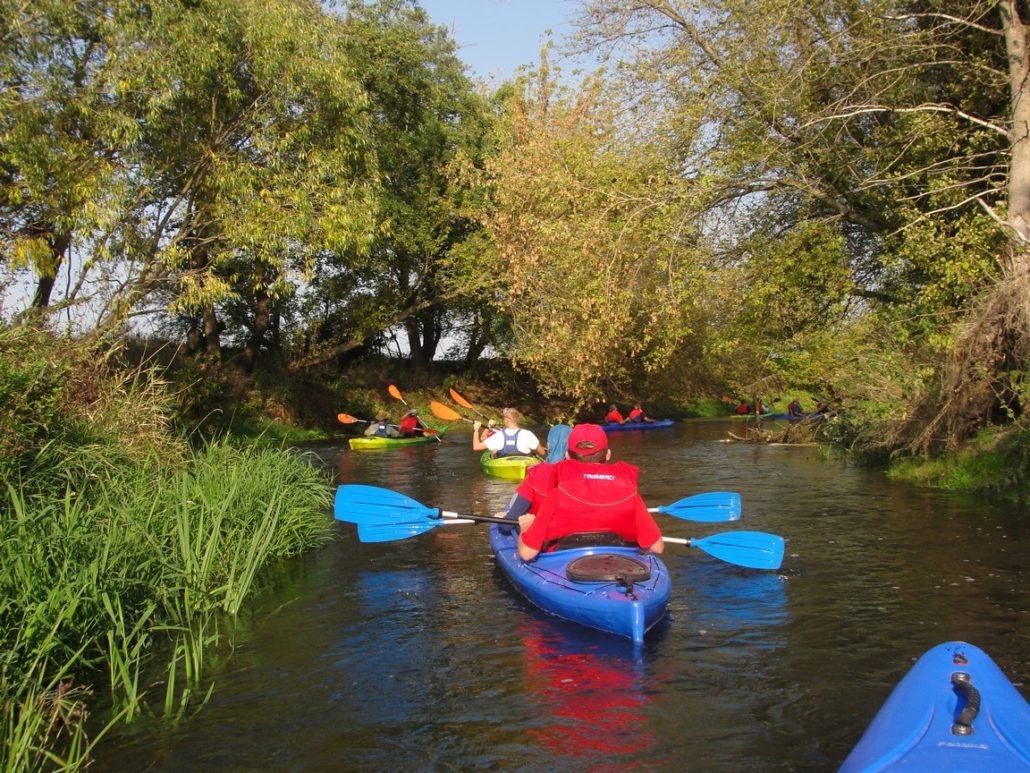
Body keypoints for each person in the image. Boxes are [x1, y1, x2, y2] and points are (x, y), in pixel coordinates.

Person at [516, 424, 664, 562]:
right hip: (619, 564)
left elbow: (527, 553)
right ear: (608, 455)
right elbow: (657, 547)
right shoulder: (628, 490)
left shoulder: (558, 492)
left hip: (568, 564)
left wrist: (526, 527)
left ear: (567, 455)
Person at [495, 424, 572, 529]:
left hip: (541, 536)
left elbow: (506, 527)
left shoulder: (535, 473)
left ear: (549, 445)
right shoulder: (584, 475)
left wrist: (503, 519)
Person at [472, 407, 545, 458]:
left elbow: (476, 447)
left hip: (504, 463)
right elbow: (542, 452)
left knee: (494, 451)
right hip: (523, 462)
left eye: (503, 418)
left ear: (506, 420)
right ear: (517, 420)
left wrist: (476, 430)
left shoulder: (498, 436)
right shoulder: (528, 434)